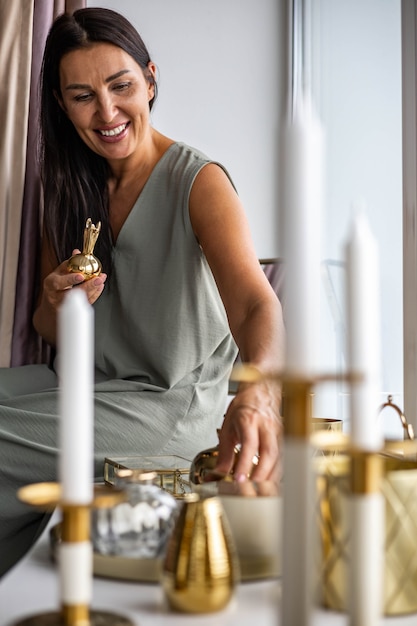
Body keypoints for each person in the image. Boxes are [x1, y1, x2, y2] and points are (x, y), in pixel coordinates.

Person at [0, 7, 284, 577]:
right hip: (86, 388)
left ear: (150, 80)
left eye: (121, 85)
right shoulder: (65, 184)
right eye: (82, 96)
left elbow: (257, 304)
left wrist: (256, 395)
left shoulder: (198, 181)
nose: (106, 112)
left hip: (169, 408)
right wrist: (59, 303)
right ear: (60, 103)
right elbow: (47, 327)